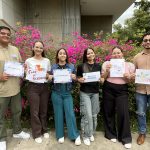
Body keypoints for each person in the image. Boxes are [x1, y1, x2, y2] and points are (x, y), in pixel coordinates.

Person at [0, 26, 30, 150]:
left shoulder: (14, 49)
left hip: (15, 89)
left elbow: (20, 65)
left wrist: (25, 68)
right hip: (2, 90)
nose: (6, 35)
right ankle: (1, 138)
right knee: (0, 116)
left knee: (17, 111)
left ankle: (17, 131)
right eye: (3, 33)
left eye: (8, 34)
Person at [102, 46, 135, 149]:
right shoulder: (106, 64)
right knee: (108, 111)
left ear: (122, 54)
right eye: (114, 53)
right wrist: (107, 71)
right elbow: (103, 78)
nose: (116, 55)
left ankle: (125, 138)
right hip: (108, 88)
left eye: (118, 53)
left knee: (123, 112)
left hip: (122, 89)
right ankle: (110, 134)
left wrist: (128, 77)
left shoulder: (129, 65)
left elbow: (131, 81)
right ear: (111, 55)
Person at [49, 48, 81, 146]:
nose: (62, 55)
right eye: (60, 53)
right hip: (56, 93)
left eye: (64, 53)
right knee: (58, 114)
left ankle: (74, 135)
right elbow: (50, 81)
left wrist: (75, 78)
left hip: (67, 93)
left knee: (70, 114)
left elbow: (76, 79)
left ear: (66, 56)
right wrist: (50, 78)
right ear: (57, 56)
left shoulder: (71, 66)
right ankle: (60, 135)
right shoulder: (53, 67)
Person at [25, 41, 51, 143]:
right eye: (37, 47)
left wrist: (48, 76)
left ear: (43, 49)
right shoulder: (28, 60)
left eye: (40, 48)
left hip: (44, 87)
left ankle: (44, 130)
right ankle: (36, 133)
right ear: (33, 48)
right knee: (34, 111)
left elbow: (48, 74)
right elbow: (26, 73)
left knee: (43, 110)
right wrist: (24, 71)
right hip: (33, 87)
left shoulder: (47, 61)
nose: (38, 49)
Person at [77, 48, 101, 146]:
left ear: (94, 54)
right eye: (88, 53)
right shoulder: (81, 66)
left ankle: (91, 132)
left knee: (94, 115)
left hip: (95, 93)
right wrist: (80, 80)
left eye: (92, 52)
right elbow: (78, 78)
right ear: (85, 56)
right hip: (85, 93)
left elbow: (101, 78)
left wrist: (101, 78)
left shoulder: (98, 66)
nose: (90, 54)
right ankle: (86, 135)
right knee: (87, 115)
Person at [132, 32, 150, 145]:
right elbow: (133, 72)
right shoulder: (137, 57)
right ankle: (142, 133)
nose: (148, 42)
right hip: (141, 90)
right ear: (142, 43)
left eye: (149, 40)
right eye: (145, 40)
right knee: (141, 113)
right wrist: (132, 75)